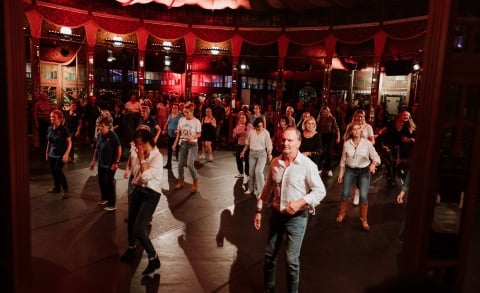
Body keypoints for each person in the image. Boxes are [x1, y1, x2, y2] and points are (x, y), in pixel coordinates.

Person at [253, 127, 326, 293]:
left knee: (291, 261)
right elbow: (268, 187)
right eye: (283, 139)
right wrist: (258, 209)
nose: (285, 143)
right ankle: (269, 288)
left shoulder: (308, 165)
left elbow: (320, 191)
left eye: (290, 140)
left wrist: (301, 202)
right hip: (276, 216)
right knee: (269, 256)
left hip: (297, 219)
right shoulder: (275, 163)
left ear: (298, 143)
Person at [119, 126, 163, 275]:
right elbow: (135, 172)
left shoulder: (157, 157)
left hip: (151, 194)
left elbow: (145, 176)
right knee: (131, 223)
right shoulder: (138, 153)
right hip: (138, 191)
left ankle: (154, 258)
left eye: (137, 144)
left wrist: (142, 158)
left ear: (145, 143)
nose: (135, 147)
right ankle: (131, 248)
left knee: (139, 229)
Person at [336, 122, 381, 231]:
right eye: (354, 129)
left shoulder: (367, 143)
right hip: (350, 170)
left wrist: (373, 164)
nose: (356, 131)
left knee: (364, 196)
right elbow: (343, 160)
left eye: (358, 129)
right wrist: (341, 174)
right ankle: (341, 214)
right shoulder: (347, 144)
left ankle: (364, 219)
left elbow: (376, 157)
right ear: (351, 131)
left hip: (364, 171)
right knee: (345, 193)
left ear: (361, 131)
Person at [89, 116, 122, 212]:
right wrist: (93, 161)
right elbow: (97, 149)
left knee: (108, 182)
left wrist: (116, 162)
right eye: (99, 126)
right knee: (101, 182)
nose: (100, 128)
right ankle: (105, 199)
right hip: (102, 163)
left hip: (111, 164)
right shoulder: (100, 135)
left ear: (108, 126)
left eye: (102, 126)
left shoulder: (113, 135)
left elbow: (119, 149)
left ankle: (112, 204)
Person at [172, 102, 202, 192]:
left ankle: (195, 181)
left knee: (189, 164)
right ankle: (181, 181)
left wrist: (192, 137)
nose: (185, 114)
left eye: (187, 112)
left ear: (192, 111)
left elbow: (199, 134)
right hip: (183, 144)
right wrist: (175, 143)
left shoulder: (196, 121)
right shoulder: (181, 120)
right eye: (184, 112)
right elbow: (179, 132)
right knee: (180, 164)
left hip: (193, 145)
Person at [241, 117, 273, 197]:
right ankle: (251, 189)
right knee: (251, 173)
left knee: (258, 172)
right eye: (258, 126)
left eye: (261, 126)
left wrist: (269, 154)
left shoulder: (266, 132)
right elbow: (247, 143)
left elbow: (269, 145)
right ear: (255, 126)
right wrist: (243, 151)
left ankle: (261, 191)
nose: (260, 128)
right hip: (252, 153)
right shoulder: (252, 132)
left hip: (262, 154)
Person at [45, 109, 72, 197]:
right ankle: (57, 188)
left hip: (61, 154)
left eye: (54, 117)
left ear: (59, 119)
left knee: (58, 170)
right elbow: (49, 141)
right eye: (51, 117)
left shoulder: (64, 129)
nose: (52, 118)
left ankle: (66, 189)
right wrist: (47, 152)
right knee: (53, 171)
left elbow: (69, 142)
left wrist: (67, 154)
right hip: (52, 153)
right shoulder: (49, 128)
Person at [316, 106, 341, 177]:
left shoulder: (332, 118)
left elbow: (337, 128)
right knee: (321, 151)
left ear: (328, 111)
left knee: (328, 152)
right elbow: (317, 128)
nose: (324, 112)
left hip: (331, 135)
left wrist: (338, 137)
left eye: (325, 111)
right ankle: (319, 168)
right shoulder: (319, 118)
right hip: (322, 135)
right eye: (322, 111)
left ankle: (329, 169)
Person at [162, 103, 183, 169]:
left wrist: (178, 130)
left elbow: (183, 125)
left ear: (178, 109)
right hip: (170, 134)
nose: (174, 109)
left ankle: (179, 161)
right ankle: (169, 163)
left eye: (176, 108)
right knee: (169, 150)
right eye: (173, 107)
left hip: (176, 136)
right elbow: (167, 122)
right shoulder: (170, 115)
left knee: (176, 149)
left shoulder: (180, 116)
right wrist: (164, 129)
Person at [232, 112, 253, 178]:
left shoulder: (249, 126)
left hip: (247, 145)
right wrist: (235, 134)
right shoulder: (238, 126)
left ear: (246, 119)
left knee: (246, 160)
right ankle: (241, 173)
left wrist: (239, 131)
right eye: (240, 118)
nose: (241, 119)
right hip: (240, 144)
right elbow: (234, 136)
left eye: (243, 118)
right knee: (238, 158)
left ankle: (248, 174)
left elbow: (249, 134)